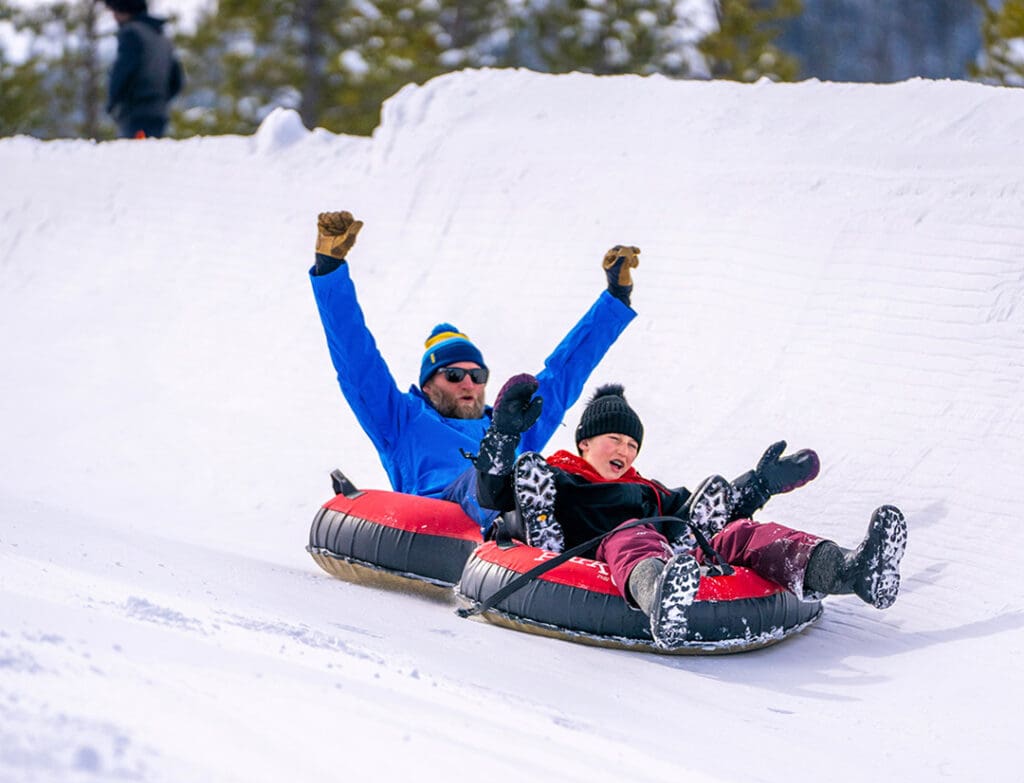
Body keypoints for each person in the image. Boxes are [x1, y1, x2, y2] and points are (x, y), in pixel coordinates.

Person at [474, 376, 907, 649]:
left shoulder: (647, 490)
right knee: (633, 533)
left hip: (673, 555)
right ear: (584, 442)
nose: (624, 450)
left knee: (739, 533)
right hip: (601, 554)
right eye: (614, 439)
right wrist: (503, 434)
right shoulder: (559, 477)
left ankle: (847, 570)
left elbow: (703, 516)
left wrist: (759, 484)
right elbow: (495, 493)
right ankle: (659, 595)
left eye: (632, 445)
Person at [309, 210, 641, 531]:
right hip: (437, 519)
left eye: (477, 376)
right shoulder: (401, 419)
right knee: (494, 469)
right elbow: (357, 360)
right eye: (454, 375)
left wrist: (616, 297)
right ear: (428, 386)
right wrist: (330, 269)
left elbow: (566, 371)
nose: (469, 383)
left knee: (556, 475)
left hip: (507, 529)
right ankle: (500, 483)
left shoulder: (511, 423)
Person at [104, 0, 184, 140]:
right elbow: (176, 81)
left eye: (116, 11)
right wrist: (160, 100)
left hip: (135, 113)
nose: (114, 17)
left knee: (133, 158)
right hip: (159, 114)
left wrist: (113, 102)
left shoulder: (132, 34)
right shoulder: (162, 38)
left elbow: (123, 71)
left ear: (125, 11)